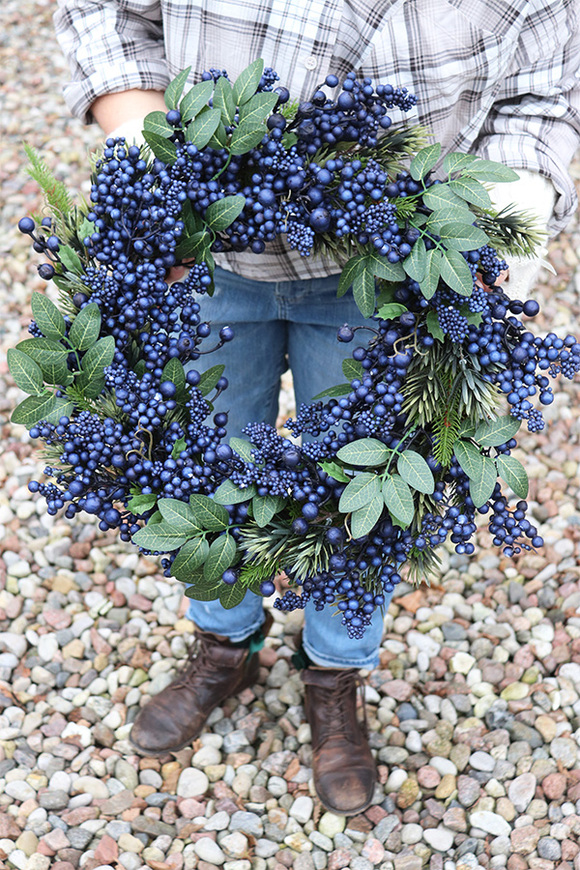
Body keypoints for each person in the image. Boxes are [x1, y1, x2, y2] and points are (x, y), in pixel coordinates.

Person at [53, 0, 580, 815]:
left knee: (362, 507)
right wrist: (145, 152)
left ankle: (335, 671)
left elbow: (545, 96)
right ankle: (224, 642)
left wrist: (488, 234)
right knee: (199, 469)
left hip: (391, 277)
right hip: (205, 255)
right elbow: (104, 13)